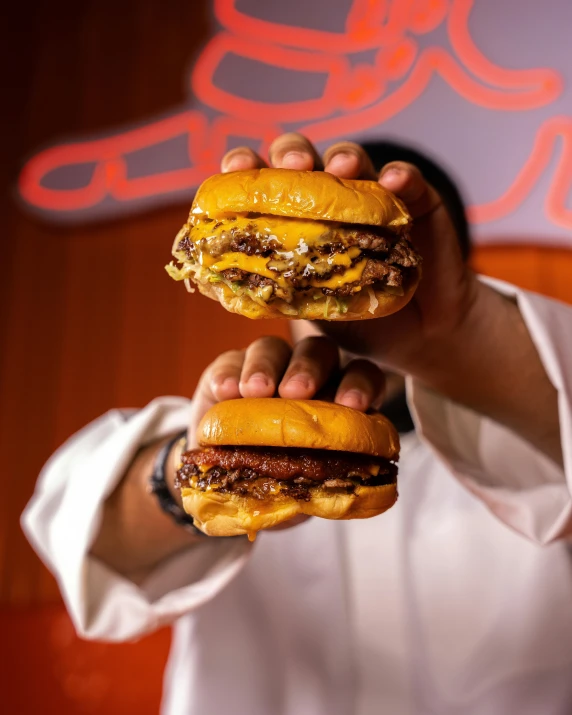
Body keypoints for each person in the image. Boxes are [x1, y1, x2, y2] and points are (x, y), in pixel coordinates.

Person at [22, 135, 572, 715]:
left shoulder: (535, 434)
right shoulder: (217, 414)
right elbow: (82, 535)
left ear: (446, 271)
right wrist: (204, 468)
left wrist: (456, 331)